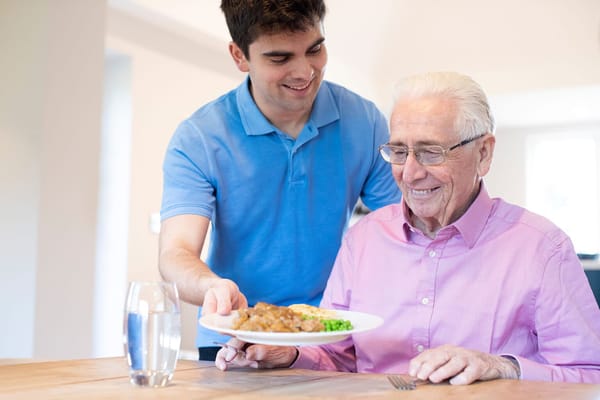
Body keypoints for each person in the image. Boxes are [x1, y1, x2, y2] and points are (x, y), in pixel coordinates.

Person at [215, 71, 600, 384]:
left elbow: (589, 376)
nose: (411, 173)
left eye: (431, 152)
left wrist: (503, 367)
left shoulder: (542, 248)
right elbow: (337, 353)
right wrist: (290, 353)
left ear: (483, 153)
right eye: (399, 151)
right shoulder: (364, 239)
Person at [158, 0, 401, 361]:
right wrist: (212, 286)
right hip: (235, 337)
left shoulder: (365, 121)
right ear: (240, 56)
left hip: (327, 338)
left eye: (315, 49)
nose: (305, 71)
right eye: (280, 58)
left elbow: (402, 231)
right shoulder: (200, 138)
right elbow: (175, 254)